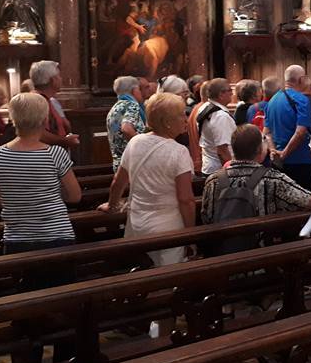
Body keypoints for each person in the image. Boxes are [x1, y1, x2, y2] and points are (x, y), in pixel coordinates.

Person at [99, 92, 195, 266]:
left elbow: (118, 182)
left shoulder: (135, 142)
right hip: (167, 228)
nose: (186, 119)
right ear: (167, 122)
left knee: (143, 273)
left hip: (137, 224)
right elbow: (186, 199)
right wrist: (190, 234)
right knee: (168, 279)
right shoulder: (179, 152)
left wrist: (111, 205)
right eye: (181, 115)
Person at [0, 92, 80, 254]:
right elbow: (74, 196)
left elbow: (2, 199)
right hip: (56, 236)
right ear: (44, 120)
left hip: (16, 238)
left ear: (12, 118)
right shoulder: (55, 154)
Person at [201, 125, 311, 222]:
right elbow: (309, 201)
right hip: (262, 245)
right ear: (260, 150)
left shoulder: (213, 180)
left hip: (222, 244)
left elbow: (206, 215)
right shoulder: (273, 179)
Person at [265, 65, 311, 190]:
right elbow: (300, 132)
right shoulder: (302, 100)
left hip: (279, 162)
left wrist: (273, 151)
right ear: (301, 79)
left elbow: (266, 132)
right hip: (301, 161)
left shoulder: (272, 100)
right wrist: (284, 154)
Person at [29, 61, 79, 152]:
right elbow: (39, 134)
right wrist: (65, 141)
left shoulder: (46, 99)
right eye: (59, 76)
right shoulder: (37, 102)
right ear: (53, 80)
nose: (61, 79)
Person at [106, 76, 146, 171]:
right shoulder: (131, 105)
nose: (141, 93)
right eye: (139, 89)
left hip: (120, 164)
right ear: (134, 90)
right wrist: (146, 146)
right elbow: (126, 129)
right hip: (133, 163)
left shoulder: (115, 108)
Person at [197, 78, 236, 175]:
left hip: (210, 165)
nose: (232, 93)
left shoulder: (205, 106)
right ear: (221, 94)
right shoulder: (221, 116)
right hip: (219, 170)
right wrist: (232, 172)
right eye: (229, 90)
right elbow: (222, 150)